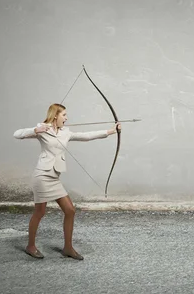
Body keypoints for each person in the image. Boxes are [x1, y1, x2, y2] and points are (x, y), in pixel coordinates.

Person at [13, 103, 121, 260]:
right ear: (55, 115)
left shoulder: (66, 132)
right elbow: (17, 134)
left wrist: (111, 131)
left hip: (54, 177)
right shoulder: (43, 129)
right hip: (42, 176)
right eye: (64, 114)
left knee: (70, 210)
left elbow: (86, 136)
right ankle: (30, 246)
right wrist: (36, 130)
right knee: (40, 212)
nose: (67, 118)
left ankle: (68, 248)